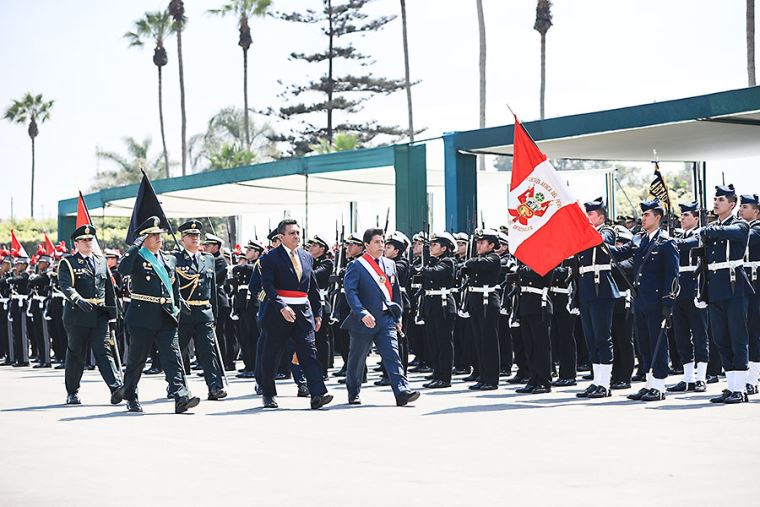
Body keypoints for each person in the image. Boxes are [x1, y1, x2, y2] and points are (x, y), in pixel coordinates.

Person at [117, 216, 200, 414]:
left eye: (159, 235)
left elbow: (173, 285)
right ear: (143, 239)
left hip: (166, 315)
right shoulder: (137, 258)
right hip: (142, 316)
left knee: (173, 357)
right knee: (137, 359)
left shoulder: (169, 258)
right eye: (153, 235)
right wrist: (134, 246)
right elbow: (122, 269)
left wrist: (179, 301)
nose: (158, 238)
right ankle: (130, 395)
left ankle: (181, 397)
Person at [257, 219, 332, 409]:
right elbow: (268, 286)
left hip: (303, 311)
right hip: (278, 312)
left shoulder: (307, 257)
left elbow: (312, 287)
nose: (297, 236)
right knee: (272, 355)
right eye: (292, 233)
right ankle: (268, 393)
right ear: (281, 237)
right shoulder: (270, 257)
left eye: (298, 233)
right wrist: (281, 306)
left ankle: (317, 393)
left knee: (309, 351)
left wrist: (317, 313)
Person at [340, 228, 420, 406]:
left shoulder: (389, 264)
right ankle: (353, 392)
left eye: (383, 241)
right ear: (366, 245)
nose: (381, 245)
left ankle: (401, 391)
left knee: (393, 355)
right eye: (377, 242)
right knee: (357, 359)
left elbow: (395, 293)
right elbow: (351, 293)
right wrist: (362, 312)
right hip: (365, 320)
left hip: (386, 319)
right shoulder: (356, 265)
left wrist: (397, 317)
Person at [613, 199, 679, 402]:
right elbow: (618, 253)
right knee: (644, 344)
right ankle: (649, 383)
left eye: (647, 215)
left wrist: (668, 303)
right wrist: (597, 241)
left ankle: (659, 386)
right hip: (640, 299)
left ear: (657, 217)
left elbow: (673, 275)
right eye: (642, 215)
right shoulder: (639, 240)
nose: (643, 218)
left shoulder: (666, 242)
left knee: (657, 342)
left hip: (657, 300)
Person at [698, 185, 753, 404]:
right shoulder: (712, 227)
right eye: (714, 199)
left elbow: (732, 233)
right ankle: (731, 387)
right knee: (721, 339)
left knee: (738, 337)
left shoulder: (740, 224)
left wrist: (706, 229)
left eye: (720, 199)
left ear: (732, 204)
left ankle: (740, 389)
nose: (716, 202)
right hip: (716, 288)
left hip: (734, 286)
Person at [57, 224, 123, 405]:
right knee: (76, 354)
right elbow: (66, 285)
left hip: (99, 314)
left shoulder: (101, 261)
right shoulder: (68, 263)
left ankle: (116, 388)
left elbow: (108, 290)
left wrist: (113, 315)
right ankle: (72, 391)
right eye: (84, 240)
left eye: (90, 240)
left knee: (104, 351)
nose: (88, 243)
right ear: (76, 243)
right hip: (77, 315)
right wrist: (77, 299)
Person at [173, 220, 227, 401]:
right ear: (182, 239)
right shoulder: (174, 259)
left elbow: (212, 289)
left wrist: (215, 315)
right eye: (191, 235)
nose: (195, 238)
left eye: (197, 236)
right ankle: (175, 385)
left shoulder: (208, 259)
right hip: (183, 312)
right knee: (178, 351)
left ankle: (215, 387)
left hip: (204, 312)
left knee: (208, 351)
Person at [575, 198, 619, 399]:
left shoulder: (606, 230)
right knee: (591, 338)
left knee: (602, 337)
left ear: (600, 216)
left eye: (590, 214)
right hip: (586, 289)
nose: (587, 218)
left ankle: (605, 383)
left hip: (601, 289)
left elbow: (604, 241)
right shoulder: (584, 234)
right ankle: (596, 381)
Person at [668, 202, 710, 393]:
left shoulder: (700, 235)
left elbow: (686, 246)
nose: (682, 219)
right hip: (679, 291)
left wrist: (669, 241)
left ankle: (701, 377)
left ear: (696, 218)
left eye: (686, 215)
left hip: (694, 289)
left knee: (700, 334)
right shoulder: (678, 236)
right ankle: (688, 377)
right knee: (682, 335)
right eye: (681, 215)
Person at [461, 229, 502, 390]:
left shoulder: (493, 258)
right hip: (476, 301)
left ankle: (491, 379)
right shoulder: (480, 259)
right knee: (479, 341)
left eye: (481, 243)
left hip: (487, 301)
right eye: (477, 243)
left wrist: (468, 262)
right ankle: (483, 376)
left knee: (489, 342)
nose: (478, 246)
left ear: (491, 245)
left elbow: (476, 264)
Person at [418, 232, 457, 388]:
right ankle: (437, 372)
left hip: (443, 305)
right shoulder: (433, 262)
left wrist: (425, 263)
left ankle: (444, 377)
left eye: (435, 245)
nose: (431, 247)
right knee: (433, 342)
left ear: (444, 248)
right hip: (431, 304)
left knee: (444, 342)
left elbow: (432, 272)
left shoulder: (448, 262)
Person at [203, 233, 236, 371]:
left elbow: (212, 278)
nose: (205, 247)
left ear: (216, 247)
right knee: (214, 334)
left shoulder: (220, 260)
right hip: (211, 300)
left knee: (220, 334)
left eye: (208, 245)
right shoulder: (207, 259)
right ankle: (216, 363)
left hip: (219, 301)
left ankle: (224, 363)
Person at [739, 194, 760, 394]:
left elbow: (745, 239)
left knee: (754, 332)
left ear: (756, 211)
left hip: (756, 285)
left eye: (745, 206)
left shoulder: (756, 229)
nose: (741, 210)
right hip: (747, 285)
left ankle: (753, 378)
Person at [308, 235, 334, 378]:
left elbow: (314, 276)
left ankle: (323, 370)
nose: (311, 248)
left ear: (322, 249)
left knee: (321, 340)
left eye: (314, 245)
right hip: (308, 303)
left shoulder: (327, 263)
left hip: (321, 304)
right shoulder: (310, 262)